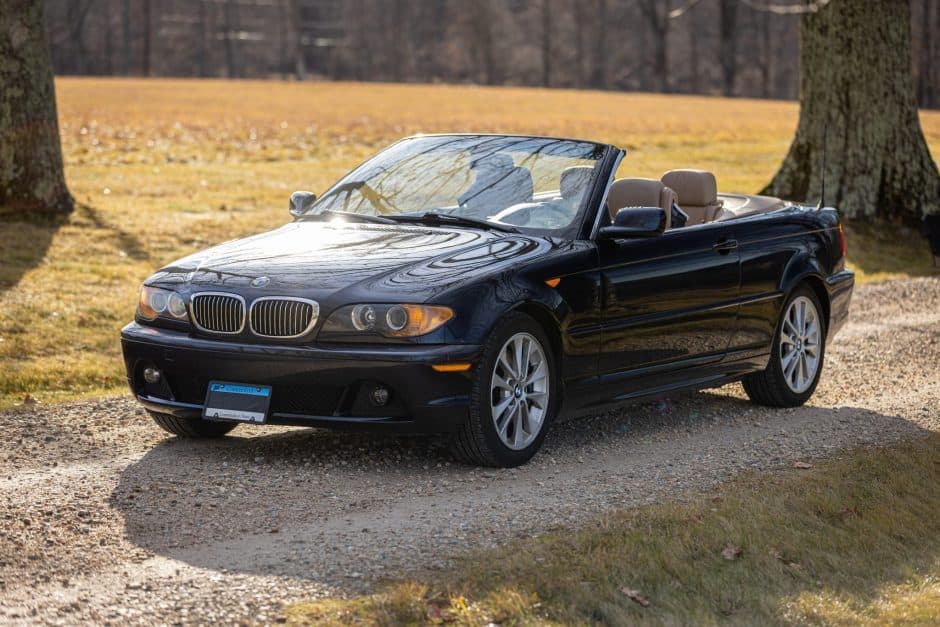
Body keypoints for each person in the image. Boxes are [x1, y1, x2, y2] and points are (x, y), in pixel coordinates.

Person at [458, 152, 533, 217]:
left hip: (512, 217)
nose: (480, 170)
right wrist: (463, 198)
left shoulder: (519, 174)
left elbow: (525, 198)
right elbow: (475, 190)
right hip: (482, 217)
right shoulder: (486, 175)